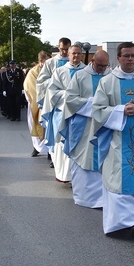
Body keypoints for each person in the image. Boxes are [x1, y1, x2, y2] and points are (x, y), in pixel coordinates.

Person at [91, 42, 134, 238]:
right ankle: (121, 224)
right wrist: (121, 110)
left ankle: (130, 223)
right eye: (126, 56)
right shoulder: (107, 82)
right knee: (116, 179)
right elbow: (97, 110)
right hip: (116, 140)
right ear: (118, 58)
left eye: (132, 55)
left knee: (133, 179)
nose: (130, 59)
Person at [61, 49, 111, 208]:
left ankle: (105, 199)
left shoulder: (111, 77)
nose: (103, 69)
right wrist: (94, 104)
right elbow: (70, 99)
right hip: (85, 128)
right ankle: (85, 198)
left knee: (105, 161)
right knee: (84, 159)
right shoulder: (80, 76)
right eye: (100, 65)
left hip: (105, 126)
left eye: (105, 66)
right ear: (93, 62)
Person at [42, 43, 86, 183]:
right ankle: (65, 175)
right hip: (62, 113)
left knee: (80, 144)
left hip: (81, 113)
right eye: (73, 53)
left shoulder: (87, 72)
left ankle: (78, 176)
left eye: (79, 53)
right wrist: (69, 96)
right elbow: (52, 92)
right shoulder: (60, 71)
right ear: (68, 55)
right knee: (62, 144)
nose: (76, 56)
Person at [23, 51, 50, 157]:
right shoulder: (33, 73)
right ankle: (36, 147)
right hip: (36, 104)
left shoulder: (54, 71)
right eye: (47, 61)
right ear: (41, 61)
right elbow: (29, 87)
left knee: (49, 128)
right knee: (36, 125)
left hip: (50, 104)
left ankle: (50, 152)